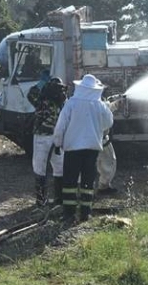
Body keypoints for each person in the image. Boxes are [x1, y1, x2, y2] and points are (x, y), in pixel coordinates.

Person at [53, 74, 113, 223]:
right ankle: (85, 213)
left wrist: (57, 143)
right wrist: (96, 127)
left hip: (73, 149)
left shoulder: (71, 103)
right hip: (92, 149)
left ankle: (69, 214)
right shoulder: (100, 105)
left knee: (70, 182)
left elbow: (61, 126)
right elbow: (109, 123)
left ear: (80, 87)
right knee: (88, 181)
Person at [27, 72, 68, 207]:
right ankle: (59, 199)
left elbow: (30, 94)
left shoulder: (42, 101)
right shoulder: (64, 102)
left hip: (41, 137)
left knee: (40, 167)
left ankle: (41, 200)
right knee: (59, 167)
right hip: (58, 137)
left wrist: (41, 83)